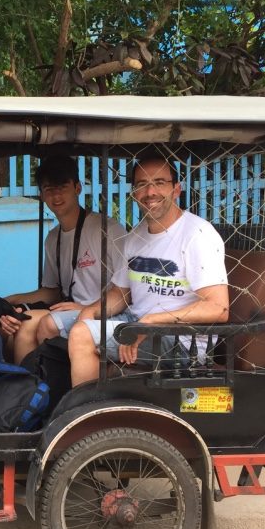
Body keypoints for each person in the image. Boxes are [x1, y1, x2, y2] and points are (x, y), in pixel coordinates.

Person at [67, 154, 230, 386]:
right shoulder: (136, 235)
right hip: (138, 321)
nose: (150, 192)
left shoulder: (197, 234)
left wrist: (152, 321)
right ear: (134, 194)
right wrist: (91, 312)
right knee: (51, 325)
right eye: (142, 184)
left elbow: (218, 307)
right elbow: (121, 294)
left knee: (81, 335)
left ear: (177, 189)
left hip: (179, 341)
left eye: (159, 182)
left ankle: (88, 416)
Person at [1, 155, 127, 364]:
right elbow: (52, 291)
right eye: (49, 189)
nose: (56, 195)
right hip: (70, 310)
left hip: (108, 313)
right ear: (41, 195)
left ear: (77, 188)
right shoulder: (53, 238)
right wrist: (11, 300)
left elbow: (127, 290)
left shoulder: (108, 229)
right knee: (21, 324)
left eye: (62, 186)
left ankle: (57, 386)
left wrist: (88, 308)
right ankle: (29, 392)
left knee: (46, 324)